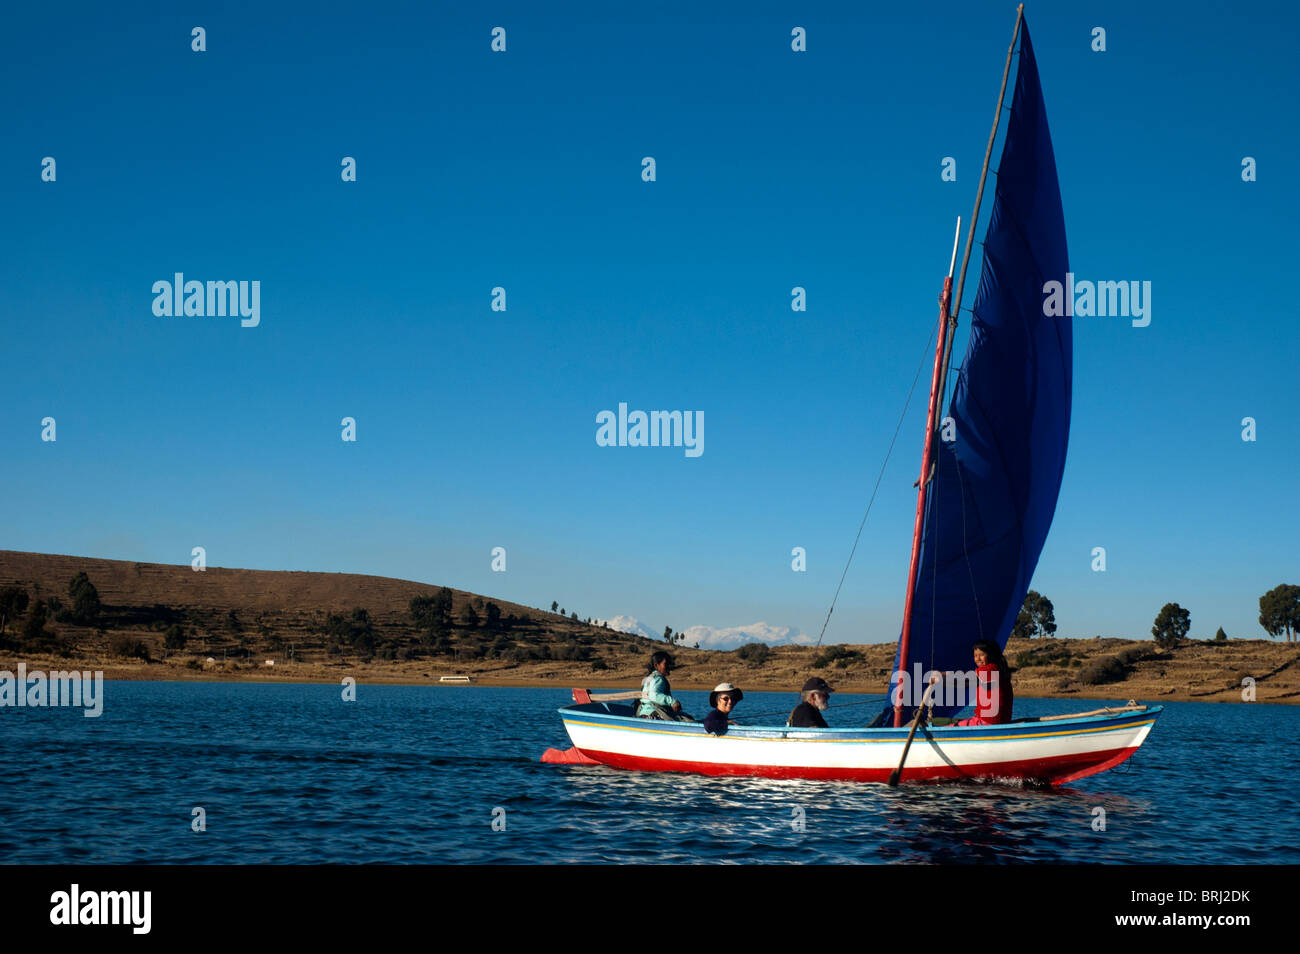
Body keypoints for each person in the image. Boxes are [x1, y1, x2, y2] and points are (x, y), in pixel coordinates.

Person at [950, 640, 1014, 726]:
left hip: (988, 722)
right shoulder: (998, 670)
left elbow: (966, 678)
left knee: (951, 726)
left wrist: (941, 676)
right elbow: (965, 683)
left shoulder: (990, 669)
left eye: (982, 655)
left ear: (991, 655)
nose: (978, 659)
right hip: (1001, 721)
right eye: (975, 655)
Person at [637, 651, 688, 719]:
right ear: (656, 665)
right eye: (666, 664)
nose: (669, 666)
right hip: (653, 713)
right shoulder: (659, 679)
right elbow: (653, 695)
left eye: (669, 664)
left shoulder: (649, 678)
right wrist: (672, 702)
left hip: (643, 712)